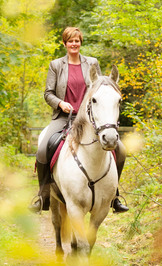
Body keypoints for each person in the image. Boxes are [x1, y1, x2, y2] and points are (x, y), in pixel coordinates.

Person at [29, 27, 128, 213]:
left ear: (80, 42)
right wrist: (60, 104)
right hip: (64, 116)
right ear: (65, 43)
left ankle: (114, 196)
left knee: (121, 150)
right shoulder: (56, 65)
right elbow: (48, 93)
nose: (74, 44)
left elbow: (99, 89)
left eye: (77, 41)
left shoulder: (92, 63)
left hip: (89, 119)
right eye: (70, 41)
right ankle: (43, 196)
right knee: (43, 149)